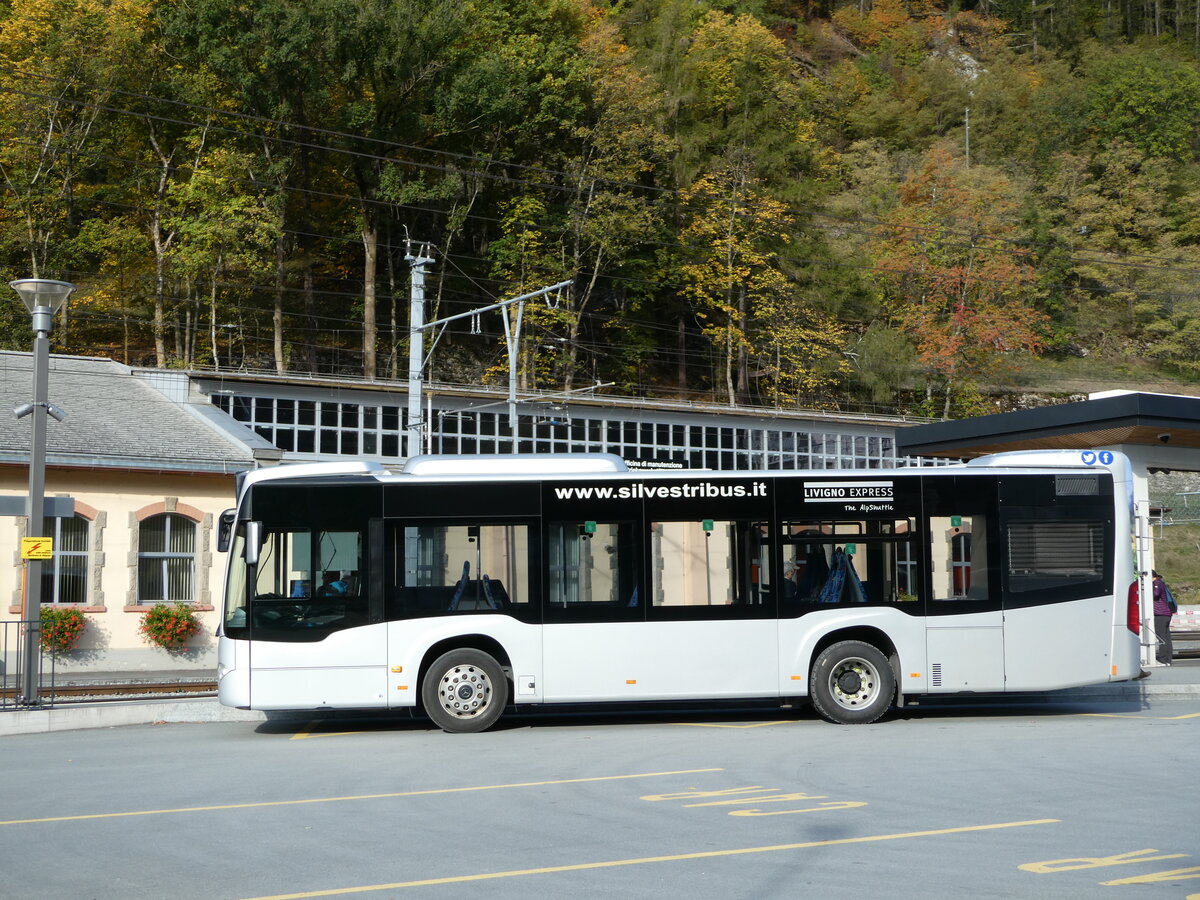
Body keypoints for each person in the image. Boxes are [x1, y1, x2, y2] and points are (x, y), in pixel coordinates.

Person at [1152, 571, 1176, 665]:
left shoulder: (1157, 583)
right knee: (1166, 636)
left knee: (1161, 636)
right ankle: (1168, 659)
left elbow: (1156, 594)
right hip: (1166, 614)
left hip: (1160, 613)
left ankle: (1162, 658)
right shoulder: (1161, 583)